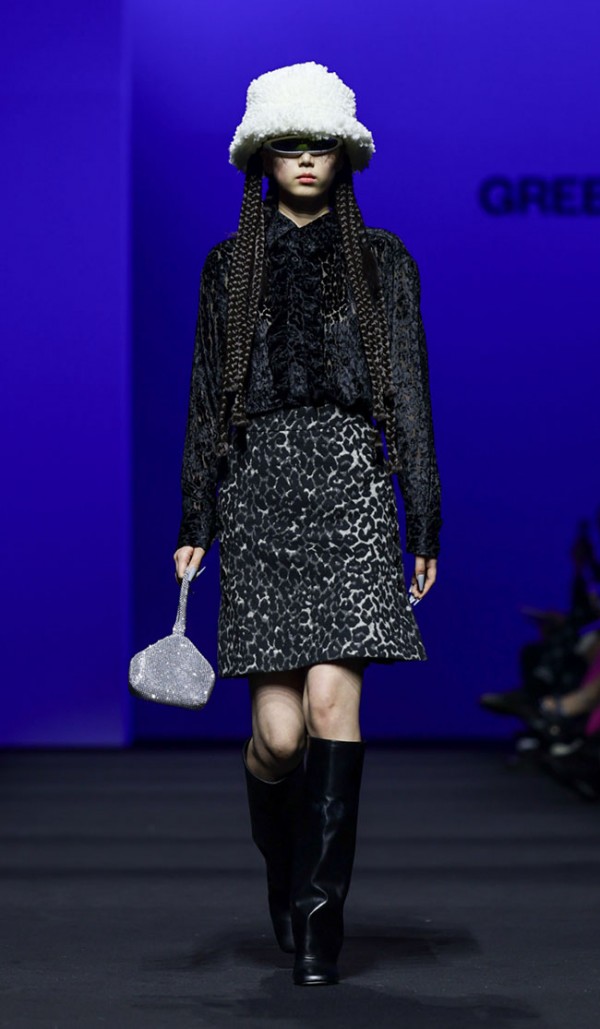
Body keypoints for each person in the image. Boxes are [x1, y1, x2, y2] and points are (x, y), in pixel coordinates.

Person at [172, 62, 443, 986]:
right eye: (286, 145)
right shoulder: (228, 267)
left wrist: (424, 517)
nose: (303, 160)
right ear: (260, 156)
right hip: (259, 493)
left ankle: (321, 921)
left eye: (319, 144)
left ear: (344, 155)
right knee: (280, 739)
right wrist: (196, 515)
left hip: (352, 490)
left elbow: (410, 391)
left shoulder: (384, 259)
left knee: (333, 706)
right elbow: (205, 399)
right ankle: (286, 875)